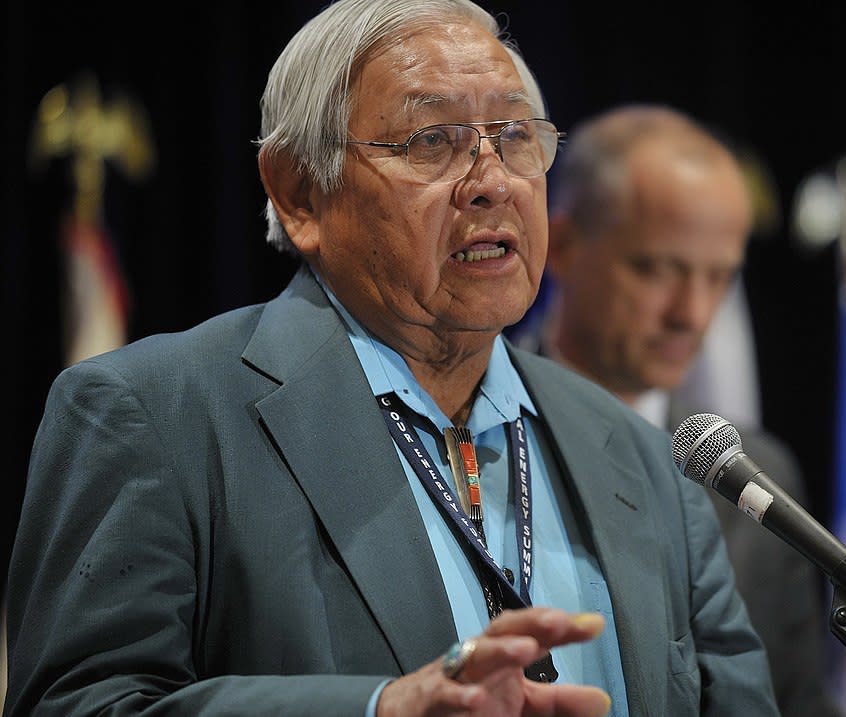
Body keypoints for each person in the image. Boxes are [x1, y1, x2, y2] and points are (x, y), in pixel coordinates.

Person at [2, 3, 780, 716]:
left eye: (515, 137)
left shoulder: (645, 459)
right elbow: (77, 704)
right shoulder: (157, 417)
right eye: (431, 141)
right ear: (301, 192)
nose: (492, 183)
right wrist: (379, 710)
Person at [514, 103, 845, 717]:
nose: (692, 313)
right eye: (658, 269)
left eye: (719, 277)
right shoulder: (463, 433)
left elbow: (797, 700)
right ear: (559, 246)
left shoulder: (758, 477)